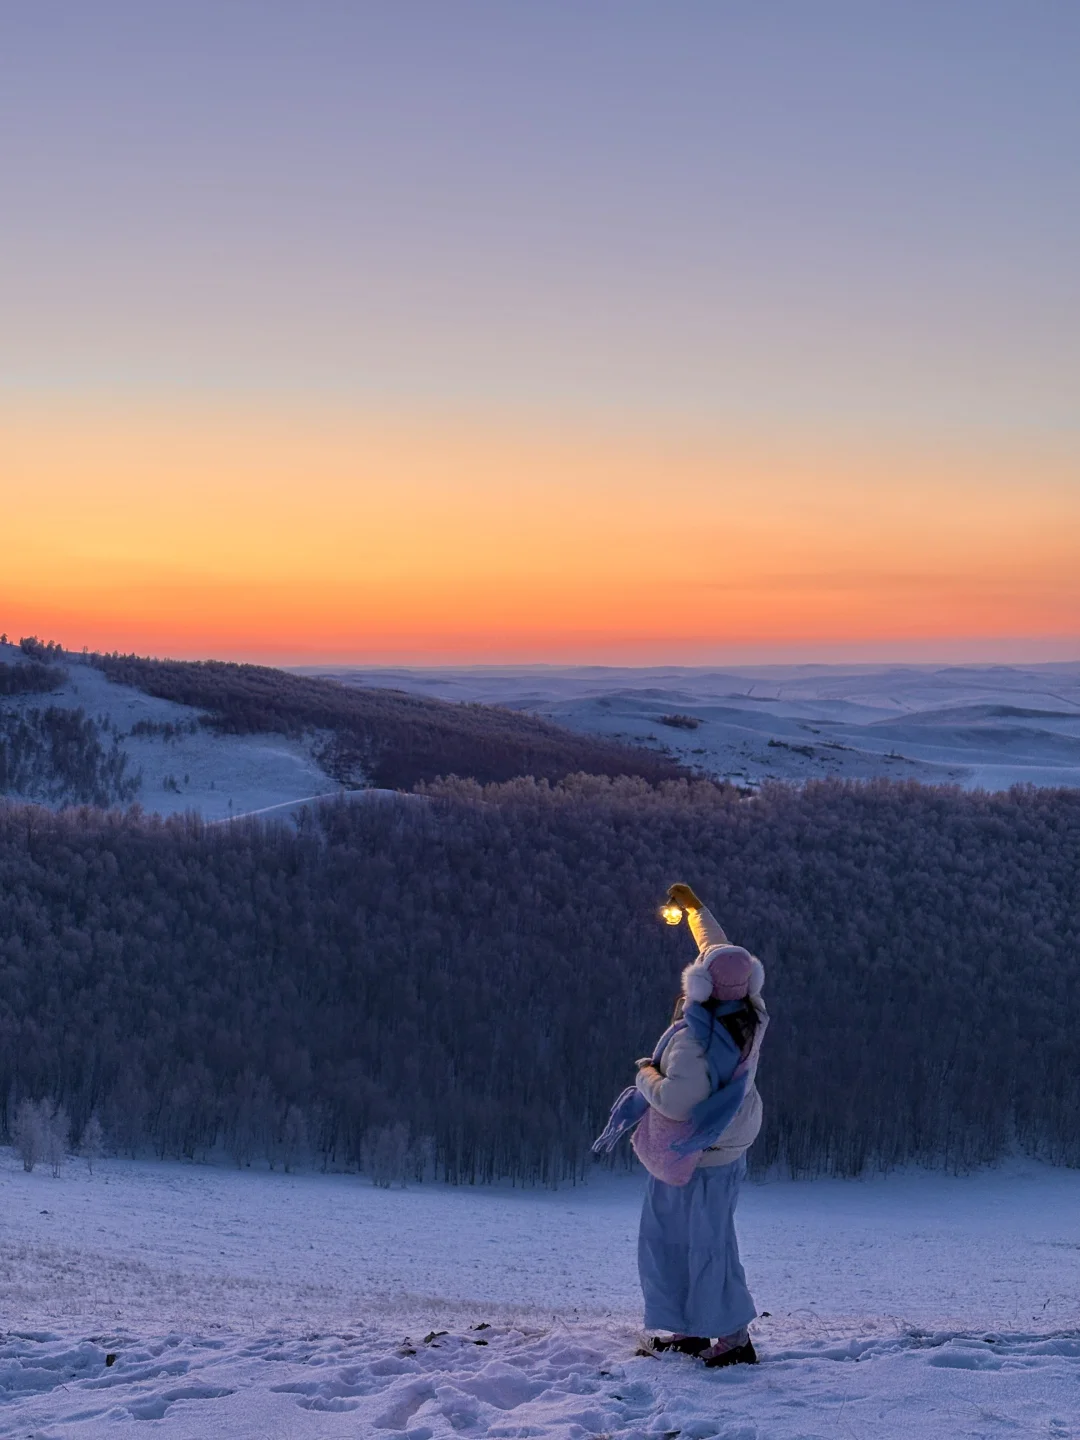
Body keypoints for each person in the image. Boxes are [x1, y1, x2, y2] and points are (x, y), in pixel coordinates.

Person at [634, 882, 768, 1368]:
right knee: (689, 1241)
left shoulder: (694, 1042)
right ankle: (691, 1330)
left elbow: (674, 1101)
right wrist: (695, 909)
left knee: (695, 1245)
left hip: (694, 1156)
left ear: (700, 988)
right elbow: (719, 950)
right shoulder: (751, 1014)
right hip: (723, 1151)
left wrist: (645, 1074)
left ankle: (733, 1340)